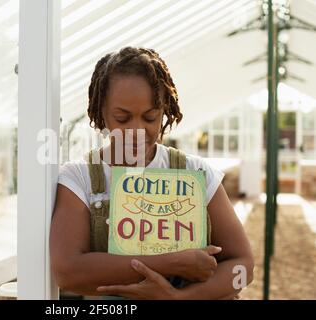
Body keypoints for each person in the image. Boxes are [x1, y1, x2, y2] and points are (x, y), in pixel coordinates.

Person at [50, 47, 254, 300]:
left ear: (164, 111)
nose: (137, 130)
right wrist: (172, 262)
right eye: (122, 118)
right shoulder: (79, 179)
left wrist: (177, 298)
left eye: (150, 117)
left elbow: (243, 267)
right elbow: (67, 272)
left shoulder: (196, 173)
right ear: (100, 112)